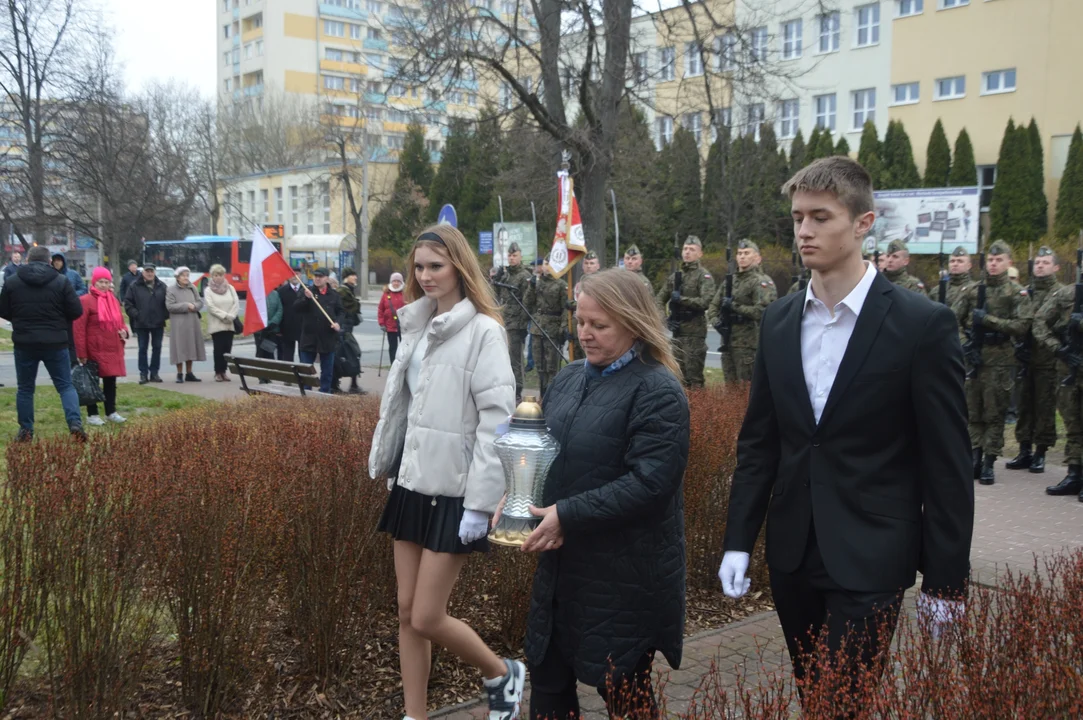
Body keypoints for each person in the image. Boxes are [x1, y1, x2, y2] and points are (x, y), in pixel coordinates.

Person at [719, 157, 973, 704]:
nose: (804, 231)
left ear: (862, 224)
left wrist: (947, 578)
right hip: (792, 553)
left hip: (874, 552)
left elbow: (947, 460)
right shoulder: (779, 321)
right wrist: (738, 539)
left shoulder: (921, 325)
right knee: (815, 694)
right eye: (796, 218)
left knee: (844, 702)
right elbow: (761, 441)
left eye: (820, 217)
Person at [368, 225, 523, 720]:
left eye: (436, 265)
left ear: (459, 265)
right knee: (406, 612)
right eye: (419, 266)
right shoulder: (415, 325)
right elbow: (403, 409)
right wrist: (394, 465)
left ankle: (502, 673)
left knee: (428, 614)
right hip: (411, 485)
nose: (426, 275)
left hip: (456, 494)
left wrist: (481, 502)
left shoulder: (484, 331)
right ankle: (415, 715)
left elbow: (497, 423)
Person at [521, 268, 689, 720]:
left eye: (599, 325)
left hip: (626, 577)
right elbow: (546, 452)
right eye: (580, 322)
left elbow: (649, 484)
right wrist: (517, 493)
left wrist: (568, 514)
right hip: (563, 569)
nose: (585, 335)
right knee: (548, 682)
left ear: (633, 324)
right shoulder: (571, 377)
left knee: (624, 692)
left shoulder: (658, 390)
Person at [952, 240, 1032, 485]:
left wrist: (987, 320)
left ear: (1009, 263)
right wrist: (966, 343)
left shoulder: (1015, 292)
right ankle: (975, 457)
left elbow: (1022, 325)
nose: (994, 264)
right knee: (973, 410)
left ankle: (989, 461)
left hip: (1000, 359)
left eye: (999, 260)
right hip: (974, 358)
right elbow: (952, 320)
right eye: (990, 260)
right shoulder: (973, 290)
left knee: (995, 411)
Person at [0, 245, 85, 441]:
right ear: (49, 261)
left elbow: (3, 310)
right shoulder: (61, 281)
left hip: (24, 341)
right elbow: (76, 311)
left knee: (25, 388)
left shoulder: (13, 282)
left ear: (27, 260)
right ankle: (74, 423)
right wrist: (60, 322)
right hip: (55, 341)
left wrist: (20, 320)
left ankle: (26, 430)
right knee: (65, 386)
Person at [1006, 247, 1062, 474]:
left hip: (1047, 359)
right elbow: (1014, 320)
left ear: (1056, 267)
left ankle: (1041, 451)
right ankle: (1024, 449)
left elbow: (1060, 325)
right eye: (1037, 262)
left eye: (1045, 262)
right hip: (1024, 357)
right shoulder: (1024, 292)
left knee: (1044, 405)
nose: (1039, 266)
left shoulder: (1061, 293)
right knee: (1024, 404)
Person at [1030, 268, 1083, 499]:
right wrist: (1058, 349)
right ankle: (1074, 473)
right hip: (1068, 368)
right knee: (1072, 424)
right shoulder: (1065, 294)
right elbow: (1039, 322)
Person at [709, 239, 777, 384]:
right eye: (739, 253)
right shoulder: (730, 281)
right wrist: (717, 323)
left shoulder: (761, 282)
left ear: (757, 258)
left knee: (746, 389)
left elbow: (762, 311)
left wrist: (734, 306)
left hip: (749, 345)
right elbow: (713, 306)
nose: (742, 256)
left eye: (746, 253)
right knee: (730, 389)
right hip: (727, 341)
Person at [656, 236, 715, 388]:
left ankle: (698, 410)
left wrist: (681, 299)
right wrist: (666, 320)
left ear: (700, 253)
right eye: (685, 249)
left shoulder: (704, 276)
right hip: (677, 332)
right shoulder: (675, 277)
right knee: (677, 376)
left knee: (694, 378)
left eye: (692, 249)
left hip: (694, 333)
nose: (687, 252)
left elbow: (705, 302)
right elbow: (659, 300)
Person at [73, 267, 129, 426]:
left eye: (107, 282)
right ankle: (92, 414)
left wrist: (124, 332)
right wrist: (81, 352)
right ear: (94, 282)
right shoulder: (85, 301)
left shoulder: (113, 300)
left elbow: (121, 322)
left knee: (111, 381)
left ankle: (111, 411)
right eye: (101, 282)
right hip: (94, 348)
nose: (104, 285)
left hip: (112, 347)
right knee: (92, 382)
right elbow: (79, 329)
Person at [493, 241, 532, 403]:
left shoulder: (524, 275)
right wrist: (497, 279)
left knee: (515, 358)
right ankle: (504, 386)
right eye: (509, 255)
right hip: (503, 320)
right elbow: (494, 294)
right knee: (502, 357)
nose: (511, 258)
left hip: (517, 324)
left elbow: (528, 300)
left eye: (514, 255)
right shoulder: (506, 274)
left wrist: (523, 323)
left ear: (520, 256)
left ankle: (518, 388)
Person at [295, 267, 345, 394]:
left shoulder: (334, 295)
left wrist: (338, 323)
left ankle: (324, 393)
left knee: (327, 370)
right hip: (309, 337)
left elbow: (341, 312)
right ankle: (306, 393)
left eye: (320, 276)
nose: (317, 278)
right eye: (315, 276)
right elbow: (296, 308)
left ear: (327, 278)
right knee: (306, 369)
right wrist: (306, 298)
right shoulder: (306, 291)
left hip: (327, 337)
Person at [523, 255, 567, 398]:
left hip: (552, 328)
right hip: (537, 327)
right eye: (547, 263)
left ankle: (551, 397)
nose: (548, 267)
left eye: (552, 263)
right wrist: (532, 286)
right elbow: (527, 303)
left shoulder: (560, 284)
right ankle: (542, 396)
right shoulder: (537, 282)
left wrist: (563, 326)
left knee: (551, 366)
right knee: (539, 365)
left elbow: (565, 308)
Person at [123, 263, 168, 384]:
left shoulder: (162, 286)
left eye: (151, 271)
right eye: (147, 271)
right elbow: (128, 303)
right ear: (143, 272)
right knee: (142, 349)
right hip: (141, 323)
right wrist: (137, 315)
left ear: (154, 272)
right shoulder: (134, 286)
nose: (149, 273)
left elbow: (168, 303)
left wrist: (165, 315)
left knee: (157, 348)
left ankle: (154, 373)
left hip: (158, 323)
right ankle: (143, 374)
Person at [166, 266, 206, 383]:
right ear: (177, 277)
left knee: (190, 347)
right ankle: (179, 373)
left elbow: (200, 302)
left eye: (187, 275)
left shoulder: (192, 287)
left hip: (192, 321)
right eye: (183, 275)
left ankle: (189, 373)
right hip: (178, 323)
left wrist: (195, 306)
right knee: (179, 347)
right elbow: (170, 306)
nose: (185, 278)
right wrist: (186, 305)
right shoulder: (171, 289)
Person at [203, 264, 240, 383]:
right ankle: (217, 372)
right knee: (218, 350)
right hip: (217, 324)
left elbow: (236, 303)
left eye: (220, 275)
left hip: (230, 324)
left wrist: (231, 316)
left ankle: (224, 371)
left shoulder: (230, 288)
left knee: (227, 349)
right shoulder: (208, 290)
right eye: (216, 275)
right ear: (212, 276)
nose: (218, 277)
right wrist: (224, 315)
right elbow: (211, 306)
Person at [335, 267, 364, 394]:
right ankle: (337, 384)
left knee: (351, 355)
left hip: (347, 329)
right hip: (343, 330)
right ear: (347, 277)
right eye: (353, 275)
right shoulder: (343, 291)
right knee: (351, 354)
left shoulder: (348, 290)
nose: (355, 277)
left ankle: (353, 384)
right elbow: (346, 310)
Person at [276, 275, 307, 362]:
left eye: (297, 274)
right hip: (287, 327)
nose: (295, 276)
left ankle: (303, 374)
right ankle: (289, 373)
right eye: (292, 274)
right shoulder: (281, 291)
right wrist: (278, 328)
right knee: (287, 354)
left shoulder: (307, 290)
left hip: (303, 327)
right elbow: (279, 309)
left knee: (304, 354)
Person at [379, 272, 407, 364]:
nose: (396, 283)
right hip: (390, 326)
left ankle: (403, 365)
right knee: (392, 348)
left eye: (398, 281)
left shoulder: (405, 294)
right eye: (394, 281)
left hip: (403, 325)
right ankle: (393, 365)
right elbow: (381, 309)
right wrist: (381, 323)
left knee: (404, 347)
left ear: (401, 282)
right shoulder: (386, 294)